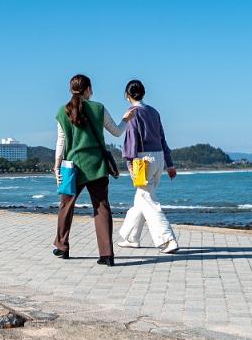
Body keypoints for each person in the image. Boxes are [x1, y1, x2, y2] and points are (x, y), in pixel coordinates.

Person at [53, 74, 127, 267]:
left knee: (66, 206)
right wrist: (126, 119)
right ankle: (107, 254)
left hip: (72, 167)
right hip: (97, 166)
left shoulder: (62, 111)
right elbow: (117, 132)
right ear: (87, 89)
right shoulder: (99, 108)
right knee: (101, 207)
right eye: (91, 88)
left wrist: (56, 165)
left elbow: (61, 141)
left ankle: (62, 246)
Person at [118, 79, 179, 253]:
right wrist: (170, 165)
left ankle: (167, 240)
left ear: (127, 95)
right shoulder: (153, 111)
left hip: (143, 160)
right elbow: (162, 138)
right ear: (143, 93)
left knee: (149, 201)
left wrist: (130, 165)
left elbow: (131, 140)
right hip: (159, 158)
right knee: (142, 199)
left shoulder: (132, 113)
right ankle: (131, 238)